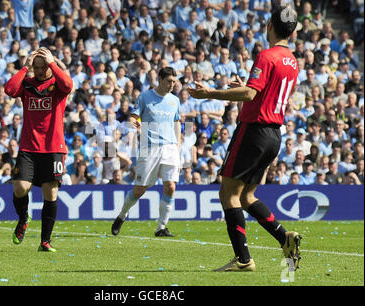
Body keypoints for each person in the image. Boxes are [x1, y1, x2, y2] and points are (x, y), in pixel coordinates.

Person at [188, 6, 302, 272]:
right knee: (247, 196)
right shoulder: (292, 60)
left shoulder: (266, 55)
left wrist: (210, 94)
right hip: (274, 135)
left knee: (228, 193)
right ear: (293, 31)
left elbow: (251, 95)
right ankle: (285, 237)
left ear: (270, 26)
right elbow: (263, 92)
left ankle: (243, 259)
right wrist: (245, 86)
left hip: (253, 131)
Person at [4, 47, 74, 252]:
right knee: (20, 188)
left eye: (44, 67)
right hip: (29, 146)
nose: (42, 71)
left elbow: (69, 85)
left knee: (49, 192)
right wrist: (25, 67)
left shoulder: (58, 85)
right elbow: (9, 90)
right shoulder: (27, 84)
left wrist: (53, 63)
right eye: (38, 67)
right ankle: (24, 218)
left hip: (53, 147)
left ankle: (45, 241)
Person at [111, 67, 181, 237]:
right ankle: (122, 215)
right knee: (140, 189)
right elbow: (133, 117)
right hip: (150, 148)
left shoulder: (174, 100)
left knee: (170, 186)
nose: (172, 85)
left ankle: (161, 227)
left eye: (174, 81)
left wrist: (177, 145)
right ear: (160, 80)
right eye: (169, 81)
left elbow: (177, 122)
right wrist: (135, 124)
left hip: (170, 147)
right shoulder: (145, 97)